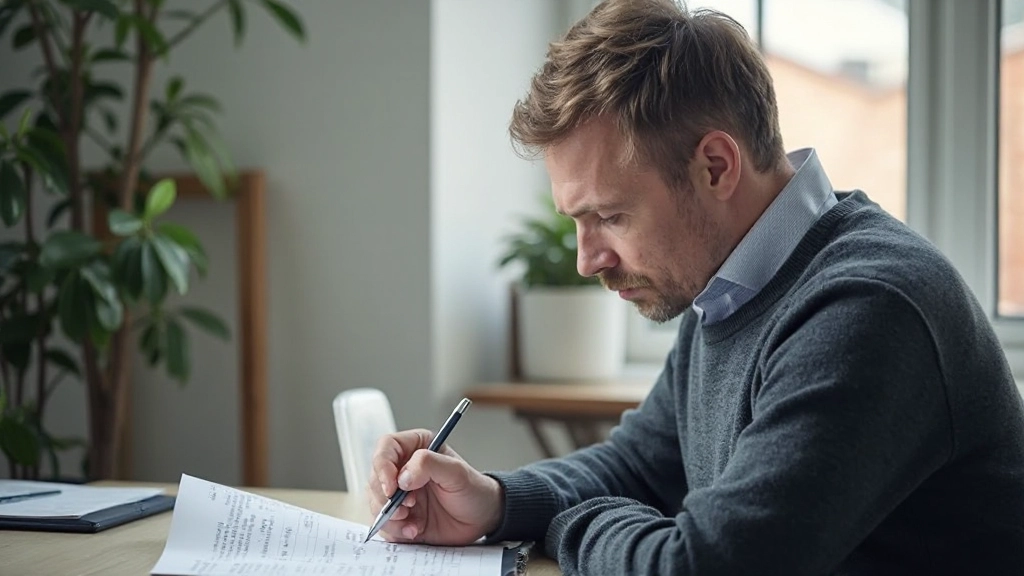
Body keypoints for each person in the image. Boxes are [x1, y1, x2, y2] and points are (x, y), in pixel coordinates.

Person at [368, 0, 1024, 573]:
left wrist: (562, 524)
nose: (587, 261)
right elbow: (639, 468)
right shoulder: (731, 287)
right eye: (577, 221)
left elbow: (707, 566)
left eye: (611, 216)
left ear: (715, 165)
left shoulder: (868, 309)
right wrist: (496, 500)